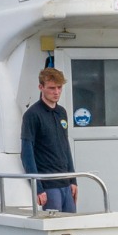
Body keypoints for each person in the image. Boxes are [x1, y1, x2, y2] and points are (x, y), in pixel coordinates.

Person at [21, 68, 77, 212]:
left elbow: (65, 148)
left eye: (59, 87)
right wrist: (37, 188)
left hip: (65, 181)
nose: (56, 92)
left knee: (71, 226)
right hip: (49, 185)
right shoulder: (32, 115)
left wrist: (73, 179)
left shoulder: (61, 112)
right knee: (54, 229)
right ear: (41, 88)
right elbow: (27, 153)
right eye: (52, 88)